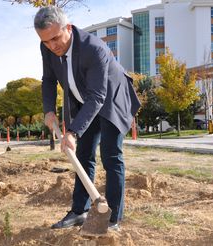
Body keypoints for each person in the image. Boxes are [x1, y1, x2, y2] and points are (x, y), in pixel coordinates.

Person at [34, 7, 141, 230]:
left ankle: (113, 219)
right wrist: (49, 110)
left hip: (111, 97)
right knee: (83, 155)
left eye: (55, 38)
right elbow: (48, 80)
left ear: (68, 28)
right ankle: (79, 211)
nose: (52, 46)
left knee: (111, 155)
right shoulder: (47, 48)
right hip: (84, 99)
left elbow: (98, 96)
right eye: (45, 41)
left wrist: (72, 132)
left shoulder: (93, 48)